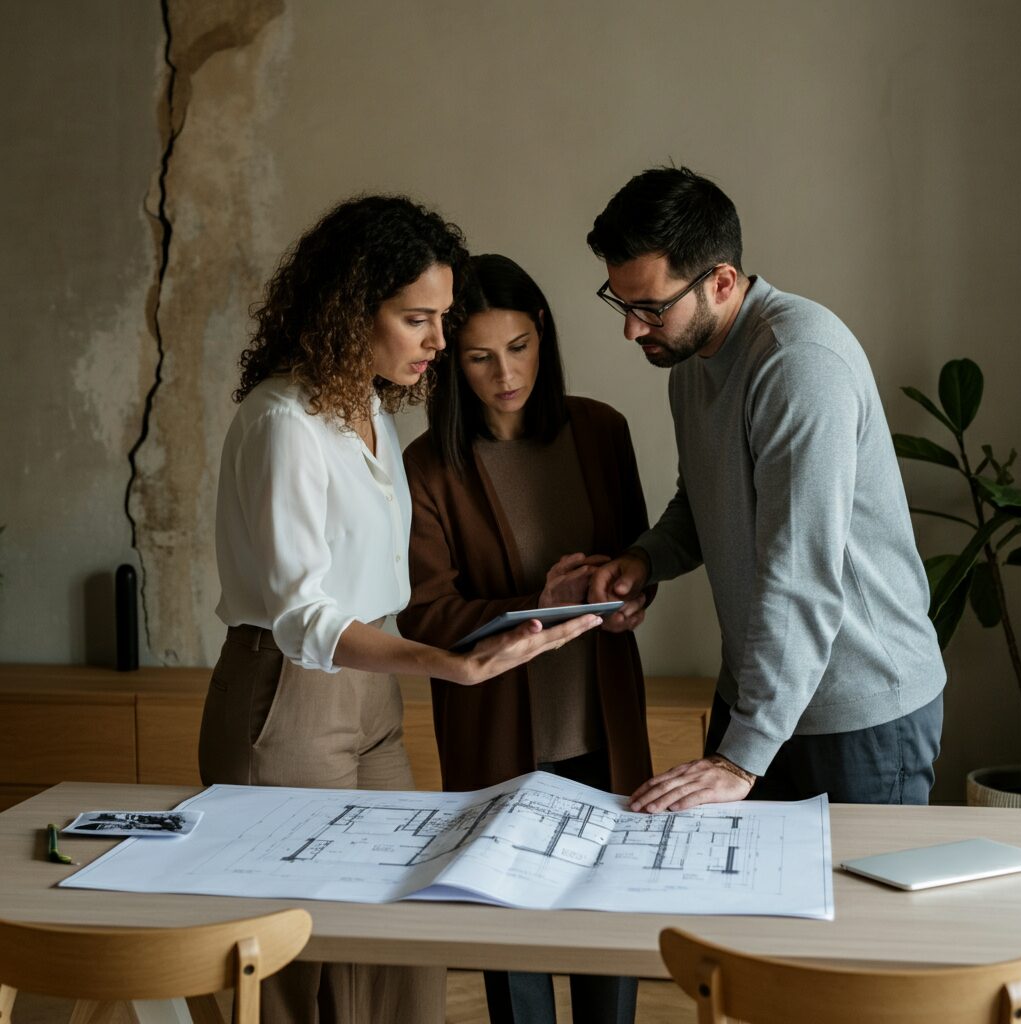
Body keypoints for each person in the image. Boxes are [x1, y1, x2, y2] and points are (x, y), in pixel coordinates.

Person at [197, 199, 601, 1024]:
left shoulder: (371, 411)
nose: (439, 342)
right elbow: (303, 618)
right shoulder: (282, 422)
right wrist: (447, 664)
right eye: (418, 319)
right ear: (351, 311)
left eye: (442, 319)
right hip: (290, 693)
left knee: (399, 935)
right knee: (296, 959)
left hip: (373, 693)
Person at [586, 166, 946, 813]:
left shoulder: (797, 362)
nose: (632, 329)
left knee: (853, 888)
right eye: (622, 303)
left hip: (858, 710)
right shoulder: (690, 362)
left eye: (651, 308)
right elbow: (704, 505)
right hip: (762, 697)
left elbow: (800, 573)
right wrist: (643, 560)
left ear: (722, 281)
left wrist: (739, 756)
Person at [397, 253, 652, 1024]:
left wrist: (630, 599)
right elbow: (424, 614)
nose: (505, 375)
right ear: (451, 359)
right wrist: (536, 603)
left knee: (608, 928)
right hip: (499, 732)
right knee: (512, 955)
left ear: (542, 332)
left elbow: (638, 558)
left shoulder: (602, 431)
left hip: (602, 725)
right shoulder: (429, 466)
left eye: (518, 347)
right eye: (479, 357)